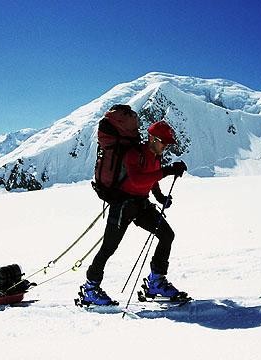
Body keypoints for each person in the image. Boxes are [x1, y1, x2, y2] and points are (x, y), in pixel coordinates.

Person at [80, 117, 188, 305]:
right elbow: (138, 179)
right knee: (108, 248)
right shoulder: (134, 153)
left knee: (167, 235)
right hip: (122, 205)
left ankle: (156, 281)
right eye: (164, 143)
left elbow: (150, 179)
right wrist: (168, 171)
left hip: (140, 204)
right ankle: (90, 288)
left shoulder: (155, 156)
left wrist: (160, 196)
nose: (166, 147)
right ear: (153, 139)